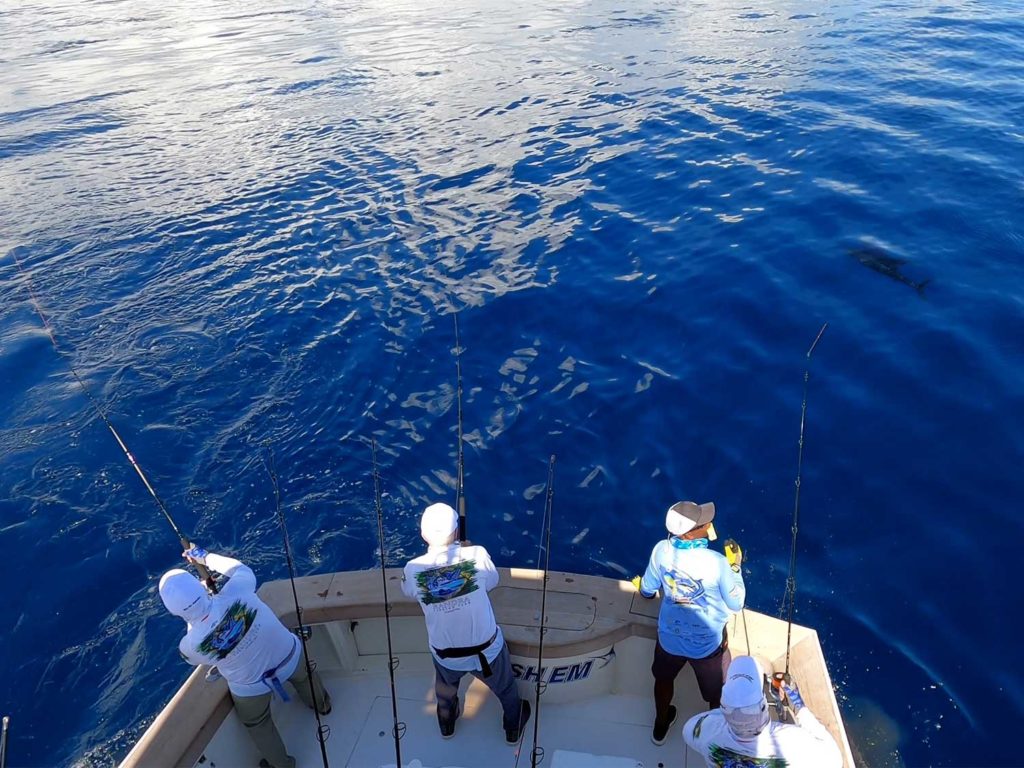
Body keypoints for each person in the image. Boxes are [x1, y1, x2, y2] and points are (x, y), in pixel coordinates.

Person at [159, 546, 331, 768]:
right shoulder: (237, 590)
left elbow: (197, 651)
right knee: (305, 677)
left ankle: (283, 765)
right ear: (200, 588)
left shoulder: (190, 645)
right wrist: (203, 556)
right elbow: (239, 568)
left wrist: (197, 610)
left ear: (174, 611)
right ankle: (323, 705)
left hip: (254, 687)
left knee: (257, 722)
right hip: (290, 656)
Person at [402, 502, 530, 744]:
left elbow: (409, 592)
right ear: (458, 531)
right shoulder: (477, 555)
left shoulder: (413, 569)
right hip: (487, 652)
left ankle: (447, 724)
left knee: (445, 690)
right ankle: (513, 727)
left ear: (422, 534)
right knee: (505, 688)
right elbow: (492, 581)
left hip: (445, 655)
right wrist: (465, 556)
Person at [634, 500, 745, 746]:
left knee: (663, 681)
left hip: (668, 640)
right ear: (688, 532)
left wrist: (643, 590)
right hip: (706, 646)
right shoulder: (717, 562)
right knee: (715, 694)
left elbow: (647, 589)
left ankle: (660, 726)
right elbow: (736, 603)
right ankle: (715, 734)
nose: (708, 525)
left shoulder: (661, 550)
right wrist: (735, 566)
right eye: (703, 524)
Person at [682, 655, 843, 767]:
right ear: (763, 706)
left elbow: (690, 730)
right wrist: (799, 706)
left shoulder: (702, 731)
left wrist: (730, 711)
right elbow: (835, 760)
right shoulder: (792, 741)